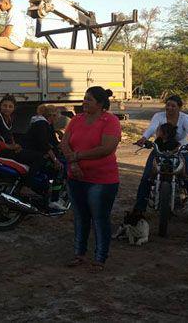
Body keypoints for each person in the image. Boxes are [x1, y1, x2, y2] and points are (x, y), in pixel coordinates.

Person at [60, 87, 121, 271]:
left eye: (89, 99)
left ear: (100, 104)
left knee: (100, 218)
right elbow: (64, 143)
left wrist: (77, 156)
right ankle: (79, 254)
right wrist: (73, 162)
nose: (84, 102)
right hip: (76, 176)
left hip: (101, 180)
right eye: (84, 98)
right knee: (80, 217)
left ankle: (100, 258)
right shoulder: (76, 120)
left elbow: (107, 148)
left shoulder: (110, 121)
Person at [133, 95, 188, 224]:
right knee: (146, 179)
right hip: (159, 151)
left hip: (180, 151)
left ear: (180, 107)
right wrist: (144, 138)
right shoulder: (158, 116)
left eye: (173, 106)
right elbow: (151, 128)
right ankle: (138, 211)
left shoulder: (185, 118)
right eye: (168, 105)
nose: (170, 108)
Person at [14, 104, 65, 210]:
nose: (58, 119)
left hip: (28, 153)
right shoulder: (41, 124)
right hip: (27, 153)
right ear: (52, 115)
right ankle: (52, 199)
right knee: (58, 169)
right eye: (57, 116)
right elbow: (44, 144)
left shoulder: (47, 125)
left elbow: (55, 143)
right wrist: (55, 160)